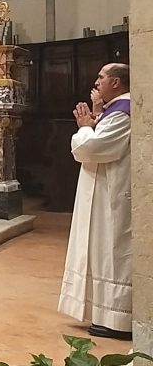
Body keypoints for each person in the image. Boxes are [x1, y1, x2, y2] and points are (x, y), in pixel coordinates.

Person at [58, 63, 132, 340]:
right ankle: (105, 313)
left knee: (113, 252)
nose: (96, 81)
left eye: (101, 77)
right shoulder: (115, 110)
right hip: (104, 193)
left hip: (113, 197)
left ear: (116, 82)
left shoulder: (124, 111)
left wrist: (85, 128)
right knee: (103, 253)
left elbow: (91, 147)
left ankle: (119, 319)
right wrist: (97, 116)